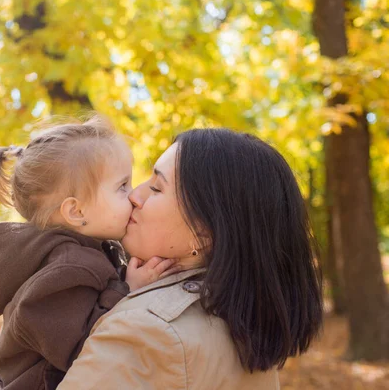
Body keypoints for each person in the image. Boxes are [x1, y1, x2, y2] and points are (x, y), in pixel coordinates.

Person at [55, 128, 324, 389]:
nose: (135, 196)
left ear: (203, 233)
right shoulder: (242, 325)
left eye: (157, 188)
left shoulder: (146, 331)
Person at [0, 114, 179, 390]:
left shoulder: (81, 252)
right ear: (76, 211)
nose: (133, 196)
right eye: (122, 186)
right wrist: (128, 289)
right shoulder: (69, 267)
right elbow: (83, 349)